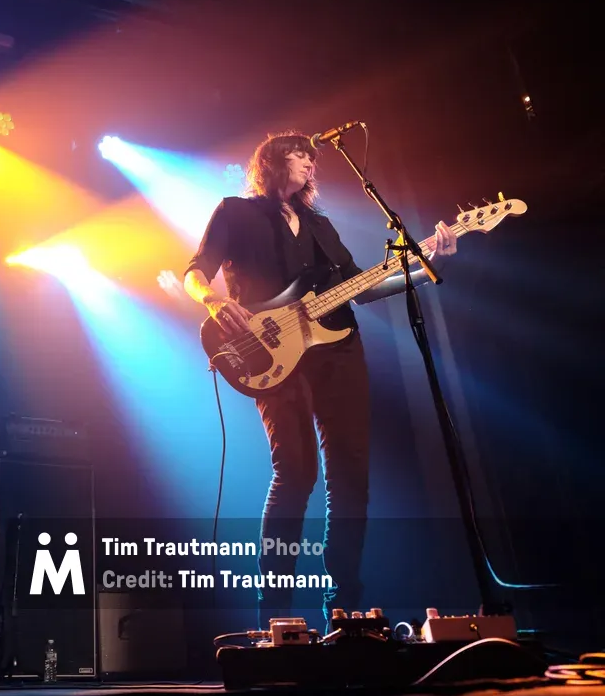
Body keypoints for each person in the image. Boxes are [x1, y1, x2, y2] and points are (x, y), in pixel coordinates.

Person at [183, 131, 458, 626]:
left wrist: (425, 263)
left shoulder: (321, 226)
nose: (310, 163)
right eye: (298, 155)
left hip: (339, 351)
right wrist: (213, 299)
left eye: (313, 158)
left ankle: (344, 607)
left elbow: (364, 287)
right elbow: (193, 271)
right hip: (270, 352)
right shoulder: (235, 211)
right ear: (269, 162)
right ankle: (276, 615)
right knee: (296, 474)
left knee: (352, 477)